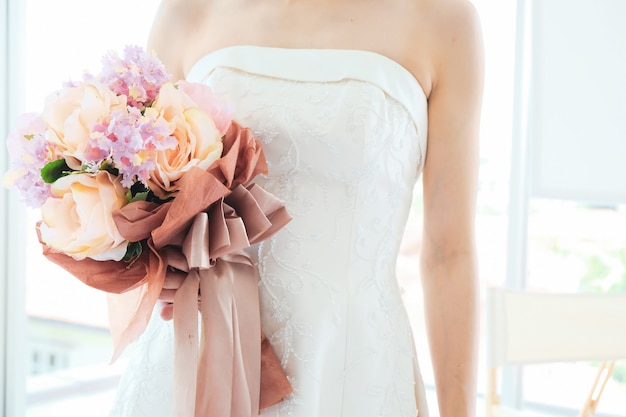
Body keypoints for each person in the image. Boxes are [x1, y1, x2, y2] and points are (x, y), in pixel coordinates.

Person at [110, 0, 484, 415]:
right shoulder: (189, 10)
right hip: (201, 353)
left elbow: (448, 254)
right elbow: (143, 196)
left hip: (350, 363)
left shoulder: (442, 20)